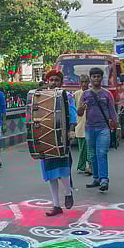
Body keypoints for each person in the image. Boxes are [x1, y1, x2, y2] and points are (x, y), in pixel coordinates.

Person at [40, 69, 76, 215]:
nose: (54, 82)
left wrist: (71, 130)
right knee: (50, 172)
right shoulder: (42, 96)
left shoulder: (67, 96)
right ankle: (56, 205)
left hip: (61, 136)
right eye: (51, 80)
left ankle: (68, 193)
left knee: (62, 168)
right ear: (48, 82)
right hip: (46, 137)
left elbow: (72, 113)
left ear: (61, 82)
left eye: (56, 80)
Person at [76, 66, 116, 193]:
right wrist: (82, 108)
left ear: (101, 78)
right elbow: (79, 113)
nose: (96, 79)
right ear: (90, 78)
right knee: (93, 154)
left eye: (98, 76)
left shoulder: (107, 94)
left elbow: (112, 112)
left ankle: (104, 179)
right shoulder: (85, 94)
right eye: (94, 76)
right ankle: (96, 178)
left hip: (103, 128)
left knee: (102, 153)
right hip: (89, 128)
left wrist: (116, 126)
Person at [73, 75, 93, 176]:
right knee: (82, 148)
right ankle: (81, 166)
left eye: (86, 82)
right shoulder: (76, 94)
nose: (84, 84)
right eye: (82, 82)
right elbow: (73, 110)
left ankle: (90, 166)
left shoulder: (92, 93)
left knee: (90, 147)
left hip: (90, 125)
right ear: (79, 83)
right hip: (80, 124)